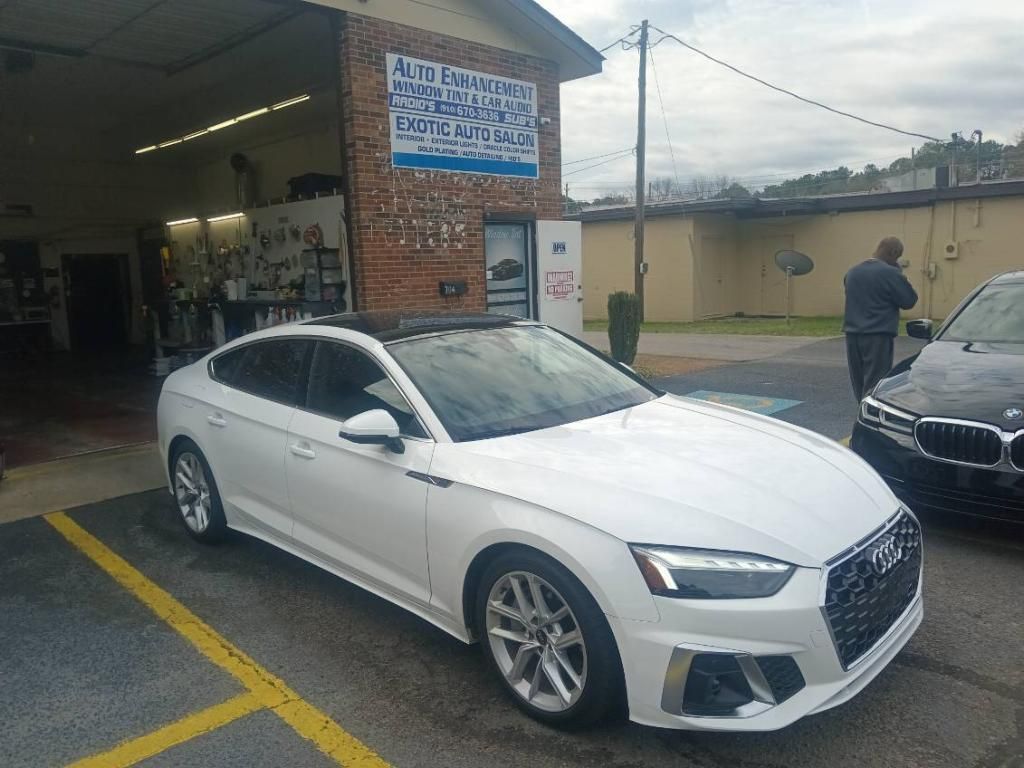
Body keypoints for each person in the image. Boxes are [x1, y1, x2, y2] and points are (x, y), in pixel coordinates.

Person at [843, 237, 918, 400]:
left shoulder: (852, 272)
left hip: (852, 334)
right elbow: (909, 300)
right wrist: (898, 274)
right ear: (894, 253)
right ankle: (870, 417)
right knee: (875, 383)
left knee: (859, 382)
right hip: (877, 335)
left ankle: (861, 411)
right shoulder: (891, 273)